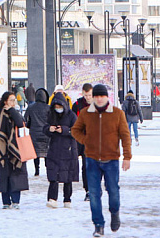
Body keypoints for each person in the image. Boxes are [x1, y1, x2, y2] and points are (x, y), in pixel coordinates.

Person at [72, 84, 132, 237]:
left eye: (101, 96)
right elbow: (75, 130)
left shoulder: (117, 114)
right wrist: (86, 140)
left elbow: (125, 136)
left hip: (111, 159)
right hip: (91, 159)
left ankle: (114, 212)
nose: (99, 99)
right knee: (93, 193)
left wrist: (127, 157)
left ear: (107, 97)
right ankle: (98, 225)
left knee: (113, 191)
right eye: (96, 96)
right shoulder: (86, 113)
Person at [0, 91, 29, 209]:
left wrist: (11, 110)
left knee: (16, 173)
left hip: (15, 149)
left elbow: (21, 123)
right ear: (5, 101)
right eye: (11, 100)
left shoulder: (14, 112)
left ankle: (15, 201)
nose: (13, 102)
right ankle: (6, 202)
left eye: (14, 100)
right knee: (3, 175)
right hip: (1, 148)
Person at [44, 93, 78, 209]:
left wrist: (63, 130)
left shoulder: (71, 115)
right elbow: (44, 127)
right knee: (53, 175)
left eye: (59, 106)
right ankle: (52, 199)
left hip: (68, 150)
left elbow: (76, 131)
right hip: (54, 149)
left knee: (67, 176)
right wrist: (49, 129)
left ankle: (67, 199)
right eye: (56, 106)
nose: (58, 109)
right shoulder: (51, 115)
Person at [72, 83, 94, 201]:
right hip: (79, 139)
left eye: (89, 95)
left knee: (88, 165)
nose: (88, 98)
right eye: (86, 95)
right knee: (77, 166)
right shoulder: (77, 105)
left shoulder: (97, 105)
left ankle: (90, 190)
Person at [24, 87, 50, 176]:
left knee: (36, 153)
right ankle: (48, 169)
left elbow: (25, 117)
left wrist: (29, 125)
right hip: (46, 133)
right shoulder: (48, 108)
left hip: (34, 132)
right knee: (46, 152)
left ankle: (37, 170)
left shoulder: (31, 107)